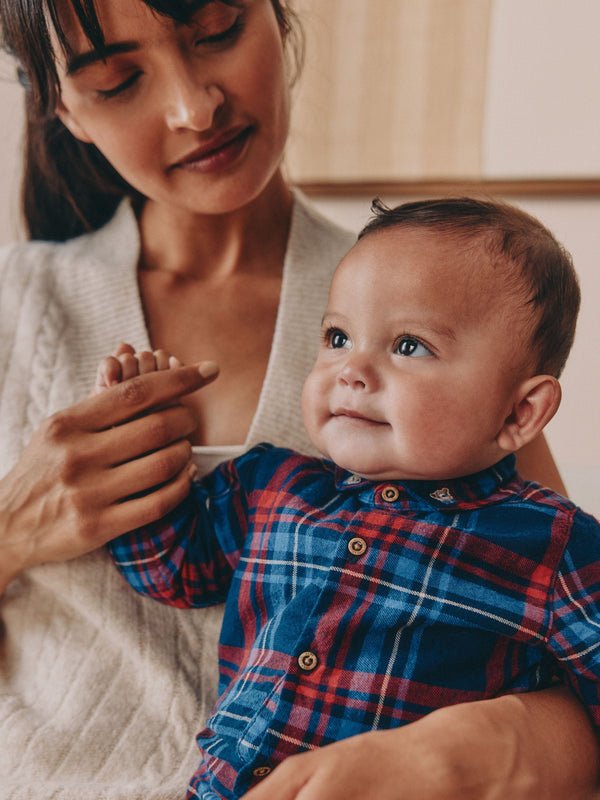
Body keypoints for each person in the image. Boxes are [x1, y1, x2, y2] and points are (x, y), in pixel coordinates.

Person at [0, 1, 597, 798]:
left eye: (216, 31)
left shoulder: (446, 312)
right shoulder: (16, 304)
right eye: (119, 79)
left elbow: (562, 672)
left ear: (279, 20)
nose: (193, 107)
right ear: (62, 107)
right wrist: (11, 527)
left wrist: (474, 748)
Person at [99, 197, 600, 800]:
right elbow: (174, 570)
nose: (352, 370)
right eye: (338, 336)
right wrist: (133, 453)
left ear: (520, 412)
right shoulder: (270, 486)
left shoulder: (550, 540)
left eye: (409, 346)